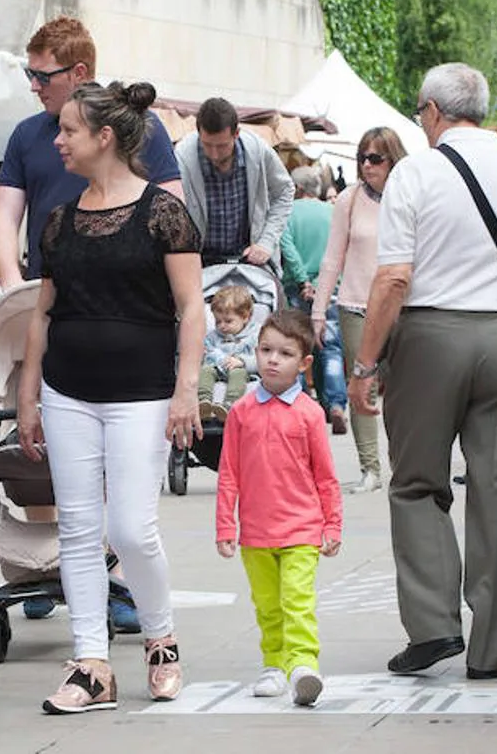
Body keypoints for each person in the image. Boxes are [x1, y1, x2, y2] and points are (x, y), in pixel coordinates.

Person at [347, 63, 497, 682]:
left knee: (417, 482)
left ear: (430, 111)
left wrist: (366, 361)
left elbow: (393, 278)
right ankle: (490, 650)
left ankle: (433, 627)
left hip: (428, 338)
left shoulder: (416, 173)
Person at [17, 80, 203, 713]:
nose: (58, 140)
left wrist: (185, 391)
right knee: (77, 528)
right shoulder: (59, 220)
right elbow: (42, 313)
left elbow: (192, 309)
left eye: (68, 130)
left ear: (103, 138)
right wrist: (27, 395)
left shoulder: (163, 212)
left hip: (142, 393)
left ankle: (160, 637)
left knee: (131, 528)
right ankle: (91, 662)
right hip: (67, 390)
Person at [0, 15, 182, 288]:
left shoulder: (141, 126)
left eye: (43, 76)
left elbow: (173, 215)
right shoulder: (26, 135)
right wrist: (11, 280)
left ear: (79, 72)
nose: (34, 86)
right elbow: (5, 215)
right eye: (29, 74)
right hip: (46, 290)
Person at [215, 310, 342, 706]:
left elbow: (326, 476)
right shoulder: (240, 412)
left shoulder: (310, 414)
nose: (272, 359)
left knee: (297, 599)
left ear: (304, 364)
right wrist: (225, 526)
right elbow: (228, 474)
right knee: (268, 605)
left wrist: (332, 524)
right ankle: (274, 664)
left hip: (302, 530)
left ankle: (304, 664)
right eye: (266, 350)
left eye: (284, 353)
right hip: (255, 534)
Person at [311, 127, 404, 493]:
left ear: (393, 160)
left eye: (376, 158)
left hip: (402, 308)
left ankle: (404, 462)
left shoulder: (409, 197)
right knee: (360, 388)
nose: (367, 165)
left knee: (403, 390)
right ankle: (370, 468)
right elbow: (332, 259)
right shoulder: (349, 200)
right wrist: (319, 311)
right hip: (355, 306)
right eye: (362, 157)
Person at [174, 97, 294, 271]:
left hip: (250, 257)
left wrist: (266, 242)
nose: (214, 154)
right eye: (207, 145)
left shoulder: (258, 150)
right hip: (201, 262)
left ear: (236, 133)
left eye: (222, 146)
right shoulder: (182, 157)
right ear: (198, 132)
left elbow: (285, 190)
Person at [279, 165, 346, 434]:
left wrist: (302, 280)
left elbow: (287, 248)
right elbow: (339, 251)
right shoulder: (333, 213)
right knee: (329, 347)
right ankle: (336, 403)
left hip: (297, 289)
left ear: (297, 189)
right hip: (329, 288)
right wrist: (319, 284)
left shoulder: (287, 214)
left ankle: (303, 401)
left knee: (297, 346)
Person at [199, 286, 258, 421]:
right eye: (217, 322)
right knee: (205, 371)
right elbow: (207, 353)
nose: (222, 326)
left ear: (245, 317)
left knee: (238, 372)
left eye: (228, 321)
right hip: (218, 368)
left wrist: (242, 361)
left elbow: (261, 360)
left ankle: (230, 404)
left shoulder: (254, 336)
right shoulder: (213, 336)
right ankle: (203, 401)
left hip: (241, 371)